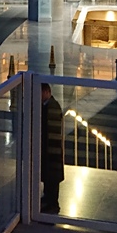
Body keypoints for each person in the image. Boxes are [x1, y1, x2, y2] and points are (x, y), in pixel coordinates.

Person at [40, 82, 65, 213]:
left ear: (46, 92)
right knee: (49, 178)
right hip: (50, 151)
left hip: (51, 151)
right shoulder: (47, 106)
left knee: (52, 179)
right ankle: (48, 199)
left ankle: (52, 203)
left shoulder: (52, 107)